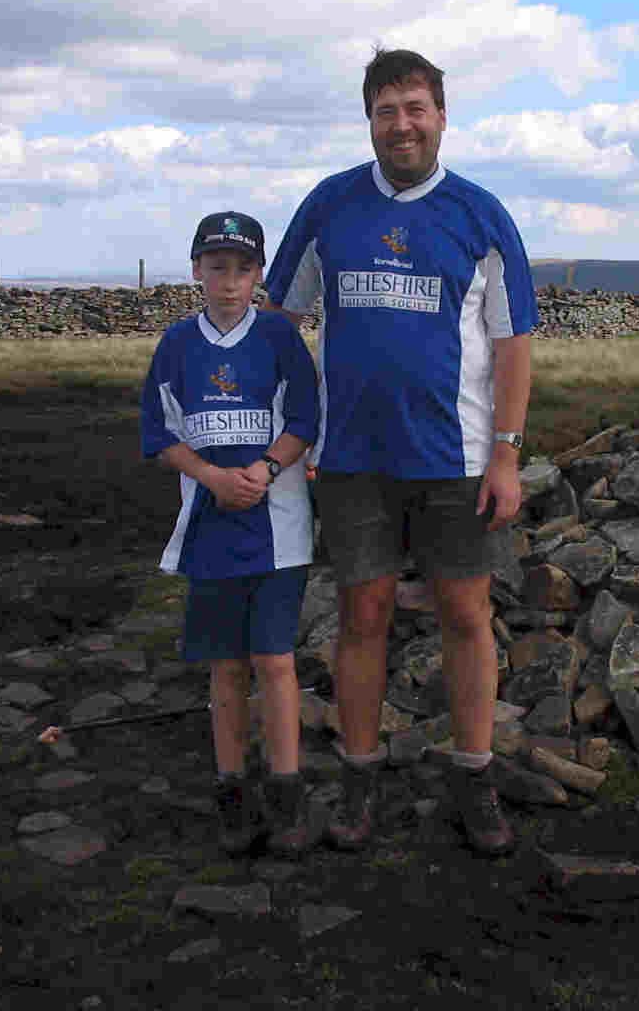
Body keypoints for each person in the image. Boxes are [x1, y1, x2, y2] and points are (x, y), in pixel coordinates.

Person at [263, 48, 538, 856]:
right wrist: (294, 428)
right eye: (387, 110)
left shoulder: (481, 216)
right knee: (363, 615)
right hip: (352, 463)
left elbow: (514, 342)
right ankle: (358, 781)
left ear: (443, 116)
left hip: (457, 462)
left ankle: (475, 777)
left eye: (417, 108)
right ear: (369, 120)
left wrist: (508, 455)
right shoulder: (329, 206)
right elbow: (279, 319)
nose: (403, 124)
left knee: (464, 614)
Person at [140, 211, 321, 857]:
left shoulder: (277, 338)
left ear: (259, 276)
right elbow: (160, 435)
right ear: (197, 271)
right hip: (211, 527)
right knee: (226, 666)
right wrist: (211, 477)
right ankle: (231, 789)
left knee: (274, 660)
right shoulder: (177, 345)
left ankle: (287, 789)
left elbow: (305, 416)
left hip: (279, 528)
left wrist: (267, 467)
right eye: (217, 268)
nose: (229, 282)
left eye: (243, 270)